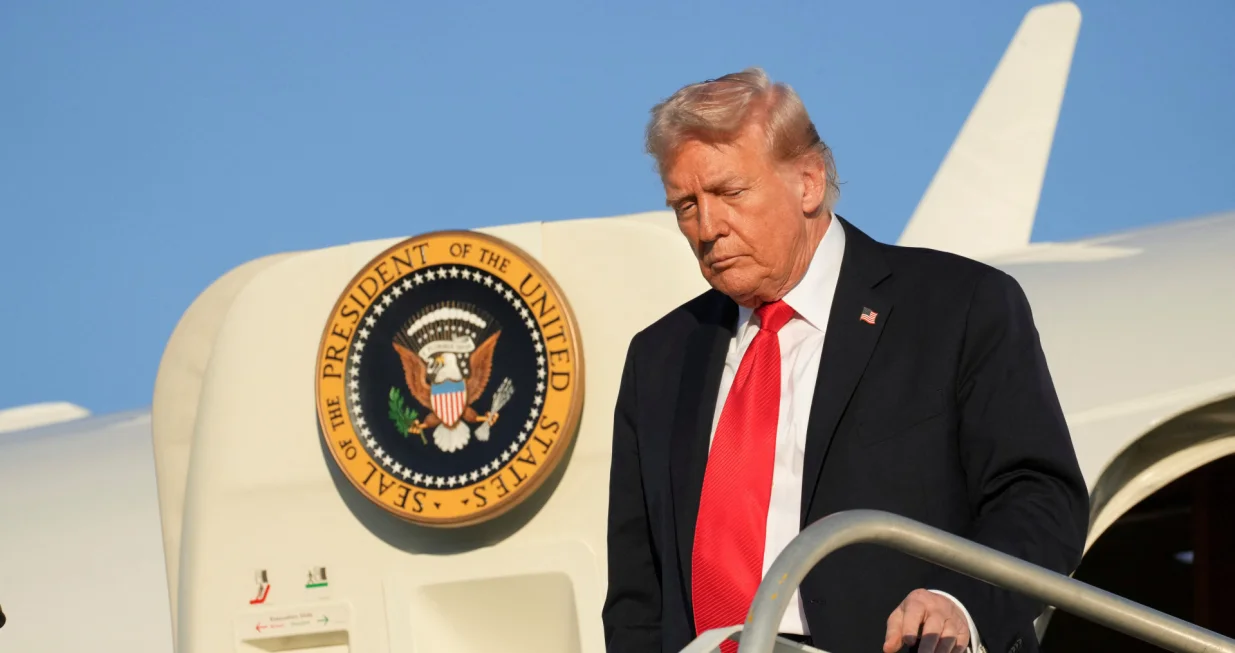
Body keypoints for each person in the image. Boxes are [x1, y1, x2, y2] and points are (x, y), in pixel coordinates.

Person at [601, 68, 1089, 653]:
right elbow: (638, 592)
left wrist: (960, 602)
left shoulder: (957, 307)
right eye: (685, 204)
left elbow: (1040, 499)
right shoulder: (659, 359)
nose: (707, 228)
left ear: (808, 182)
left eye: (729, 193)